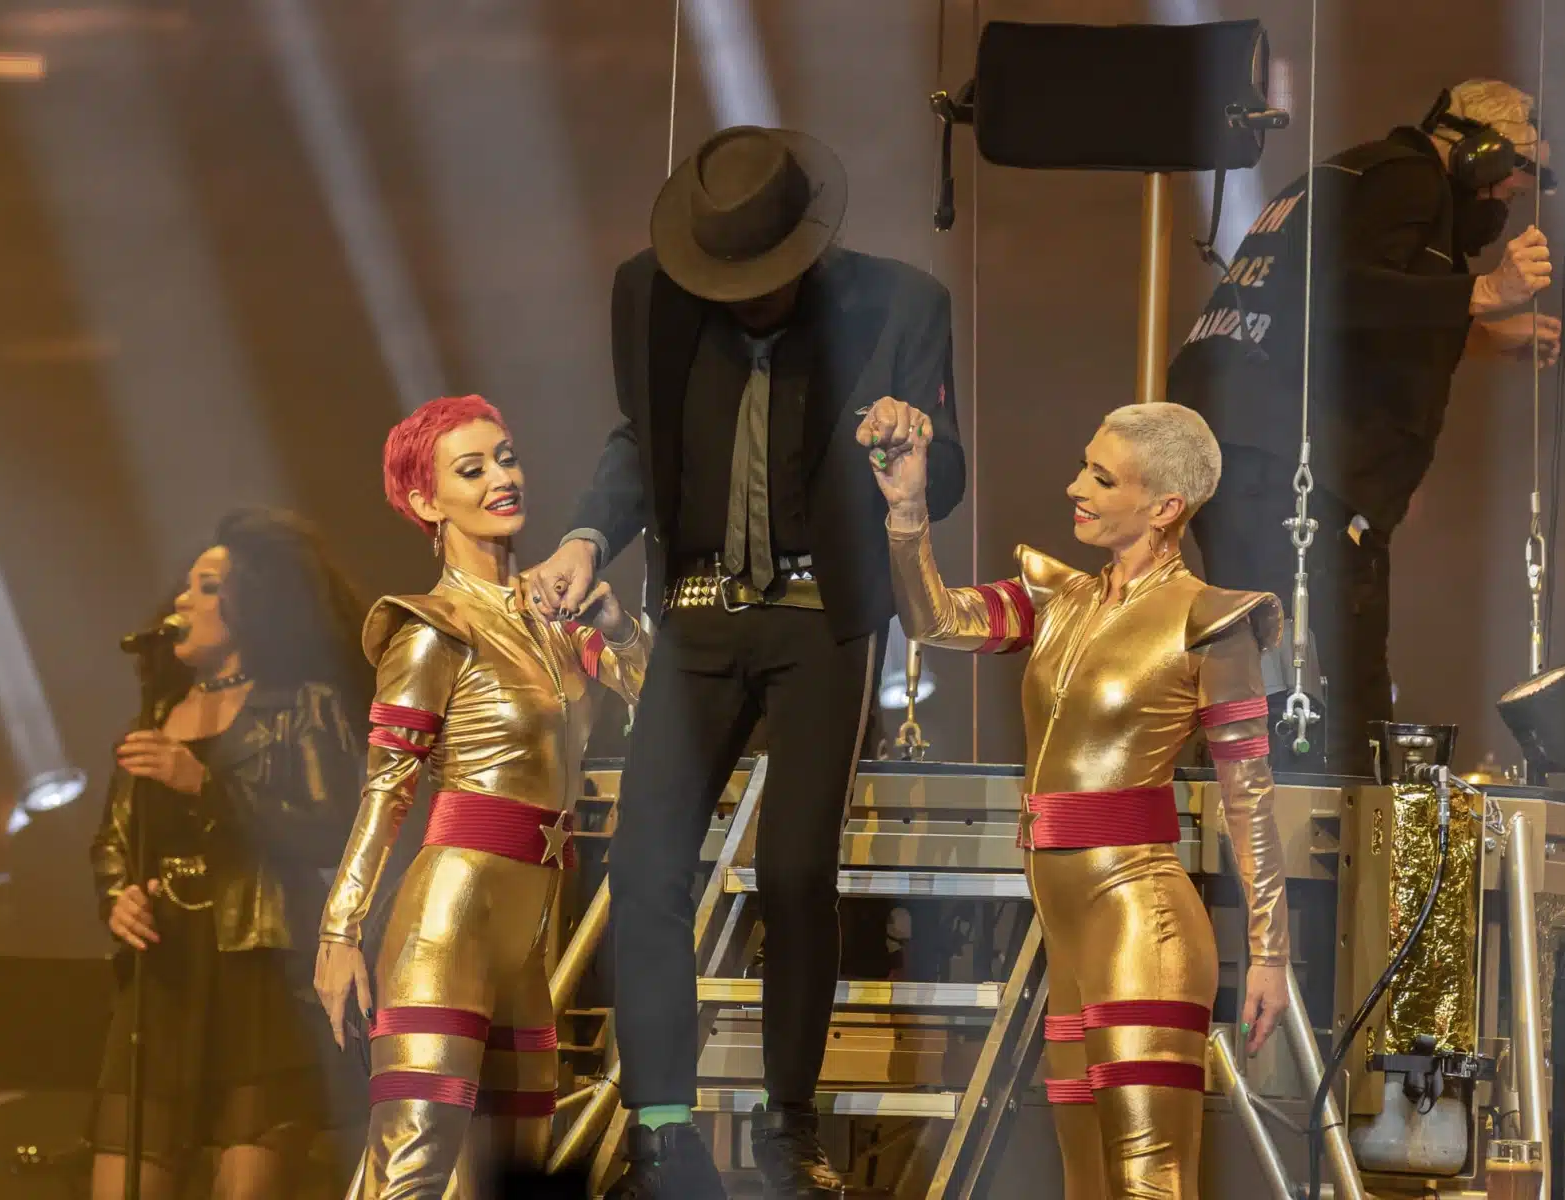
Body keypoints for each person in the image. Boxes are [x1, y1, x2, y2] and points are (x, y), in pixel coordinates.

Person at [528, 125, 966, 1198]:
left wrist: (910, 452)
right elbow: (638, 440)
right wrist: (586, 536)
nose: (746, 297)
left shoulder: (899, 304)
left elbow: (946, 469)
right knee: (645, 867)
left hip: (823, 615)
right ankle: (662, 1134)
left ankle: (788, 1128)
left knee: (797, 870)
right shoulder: (648, 294)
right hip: (698, 611)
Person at [867, 402, 1289, 1198]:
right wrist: (907, 512)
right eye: (1082, 468)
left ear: (1164, 507)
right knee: (1085, 1182)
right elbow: (932, 620)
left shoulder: (1208, 622)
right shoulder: (1060, 600)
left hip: (1143, 923)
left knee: (1148, 1181)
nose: (1075, 489)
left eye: (1101, 478)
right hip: (1067, 935)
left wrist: (1268, 951)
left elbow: (1248, 797)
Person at [1166, 79, 1561, 773]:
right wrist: (1485, 291)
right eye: (1516, 175)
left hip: (1245, 446)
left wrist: (1483, 335)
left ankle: (1263, 810)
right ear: (1478, 155)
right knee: (1342, 683)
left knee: (1263, 662)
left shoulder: (1363, 176)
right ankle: (1318, 828)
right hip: (1283, 459)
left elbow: (1340, 313)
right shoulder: (1409, 182)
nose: (1513, 194)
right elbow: (1340, 294)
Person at [313, 394, 650, 1197]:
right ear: (426, 502)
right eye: (471, 469)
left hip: (528, 934)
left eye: (506, 458)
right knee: (413, 1166)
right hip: (449, 922)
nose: (502, 478)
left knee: (510, 1175)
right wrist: (339, 931)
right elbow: (386, 790)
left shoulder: (557, 618)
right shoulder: (432, 627)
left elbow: (667, 708)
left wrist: (619, 626)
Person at [89, 507, 370, 1200]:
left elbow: (332, 828)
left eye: (208, 587)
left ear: (255, 603)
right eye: (186, 585)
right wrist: (118, 895)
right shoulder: (158, 715)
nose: (183, 600)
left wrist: (207, 787)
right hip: (164, 980)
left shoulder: (302, 706)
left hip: (257, 974)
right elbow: (114, 839)